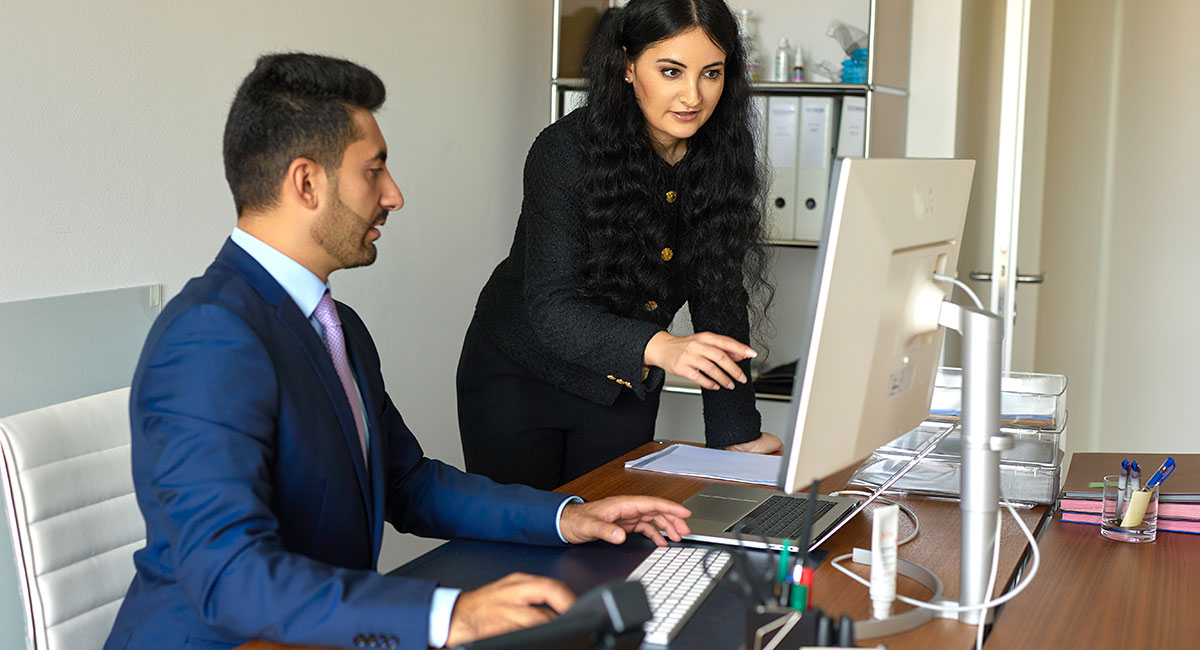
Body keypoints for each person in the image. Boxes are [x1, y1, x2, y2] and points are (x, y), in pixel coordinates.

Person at [103, 52, 691, 650]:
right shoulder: (210, 335)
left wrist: (567, 516)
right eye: (374, 170)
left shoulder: (339, 327)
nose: (394, 194)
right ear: (306, 182)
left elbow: (410, 485)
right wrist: (451, 614)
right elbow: (231, 579)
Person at [458, 0, 781, 491]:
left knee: (612, 542)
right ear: (629, 66)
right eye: (671, 71)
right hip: (520, 376)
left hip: (624, 381)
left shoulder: (720, 154)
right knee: (521, 543)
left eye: (710, 74)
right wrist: (663, 346)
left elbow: (720, 294)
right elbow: (552, 307)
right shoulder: (563, 151)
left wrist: (735, 436)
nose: (692, 96)